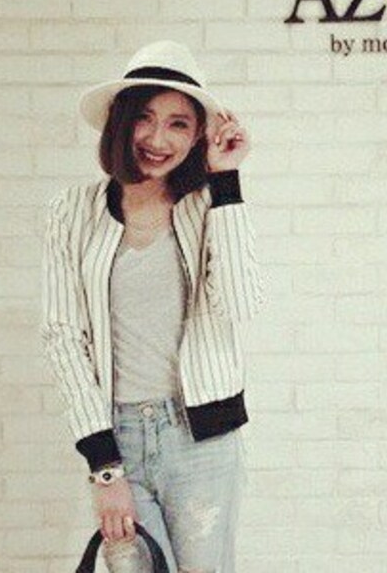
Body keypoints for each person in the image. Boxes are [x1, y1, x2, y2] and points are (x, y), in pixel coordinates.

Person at [40, 40, 264, 573]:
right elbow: (63, 337)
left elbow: (241, 302)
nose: (158, 139)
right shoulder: (71, 212)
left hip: (203, 441)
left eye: (178, 123)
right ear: (121, 121)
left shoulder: (208, 205)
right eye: (145, 117)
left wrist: (226, 181)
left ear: (198, 134)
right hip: (117, 439)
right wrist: (104, 468)